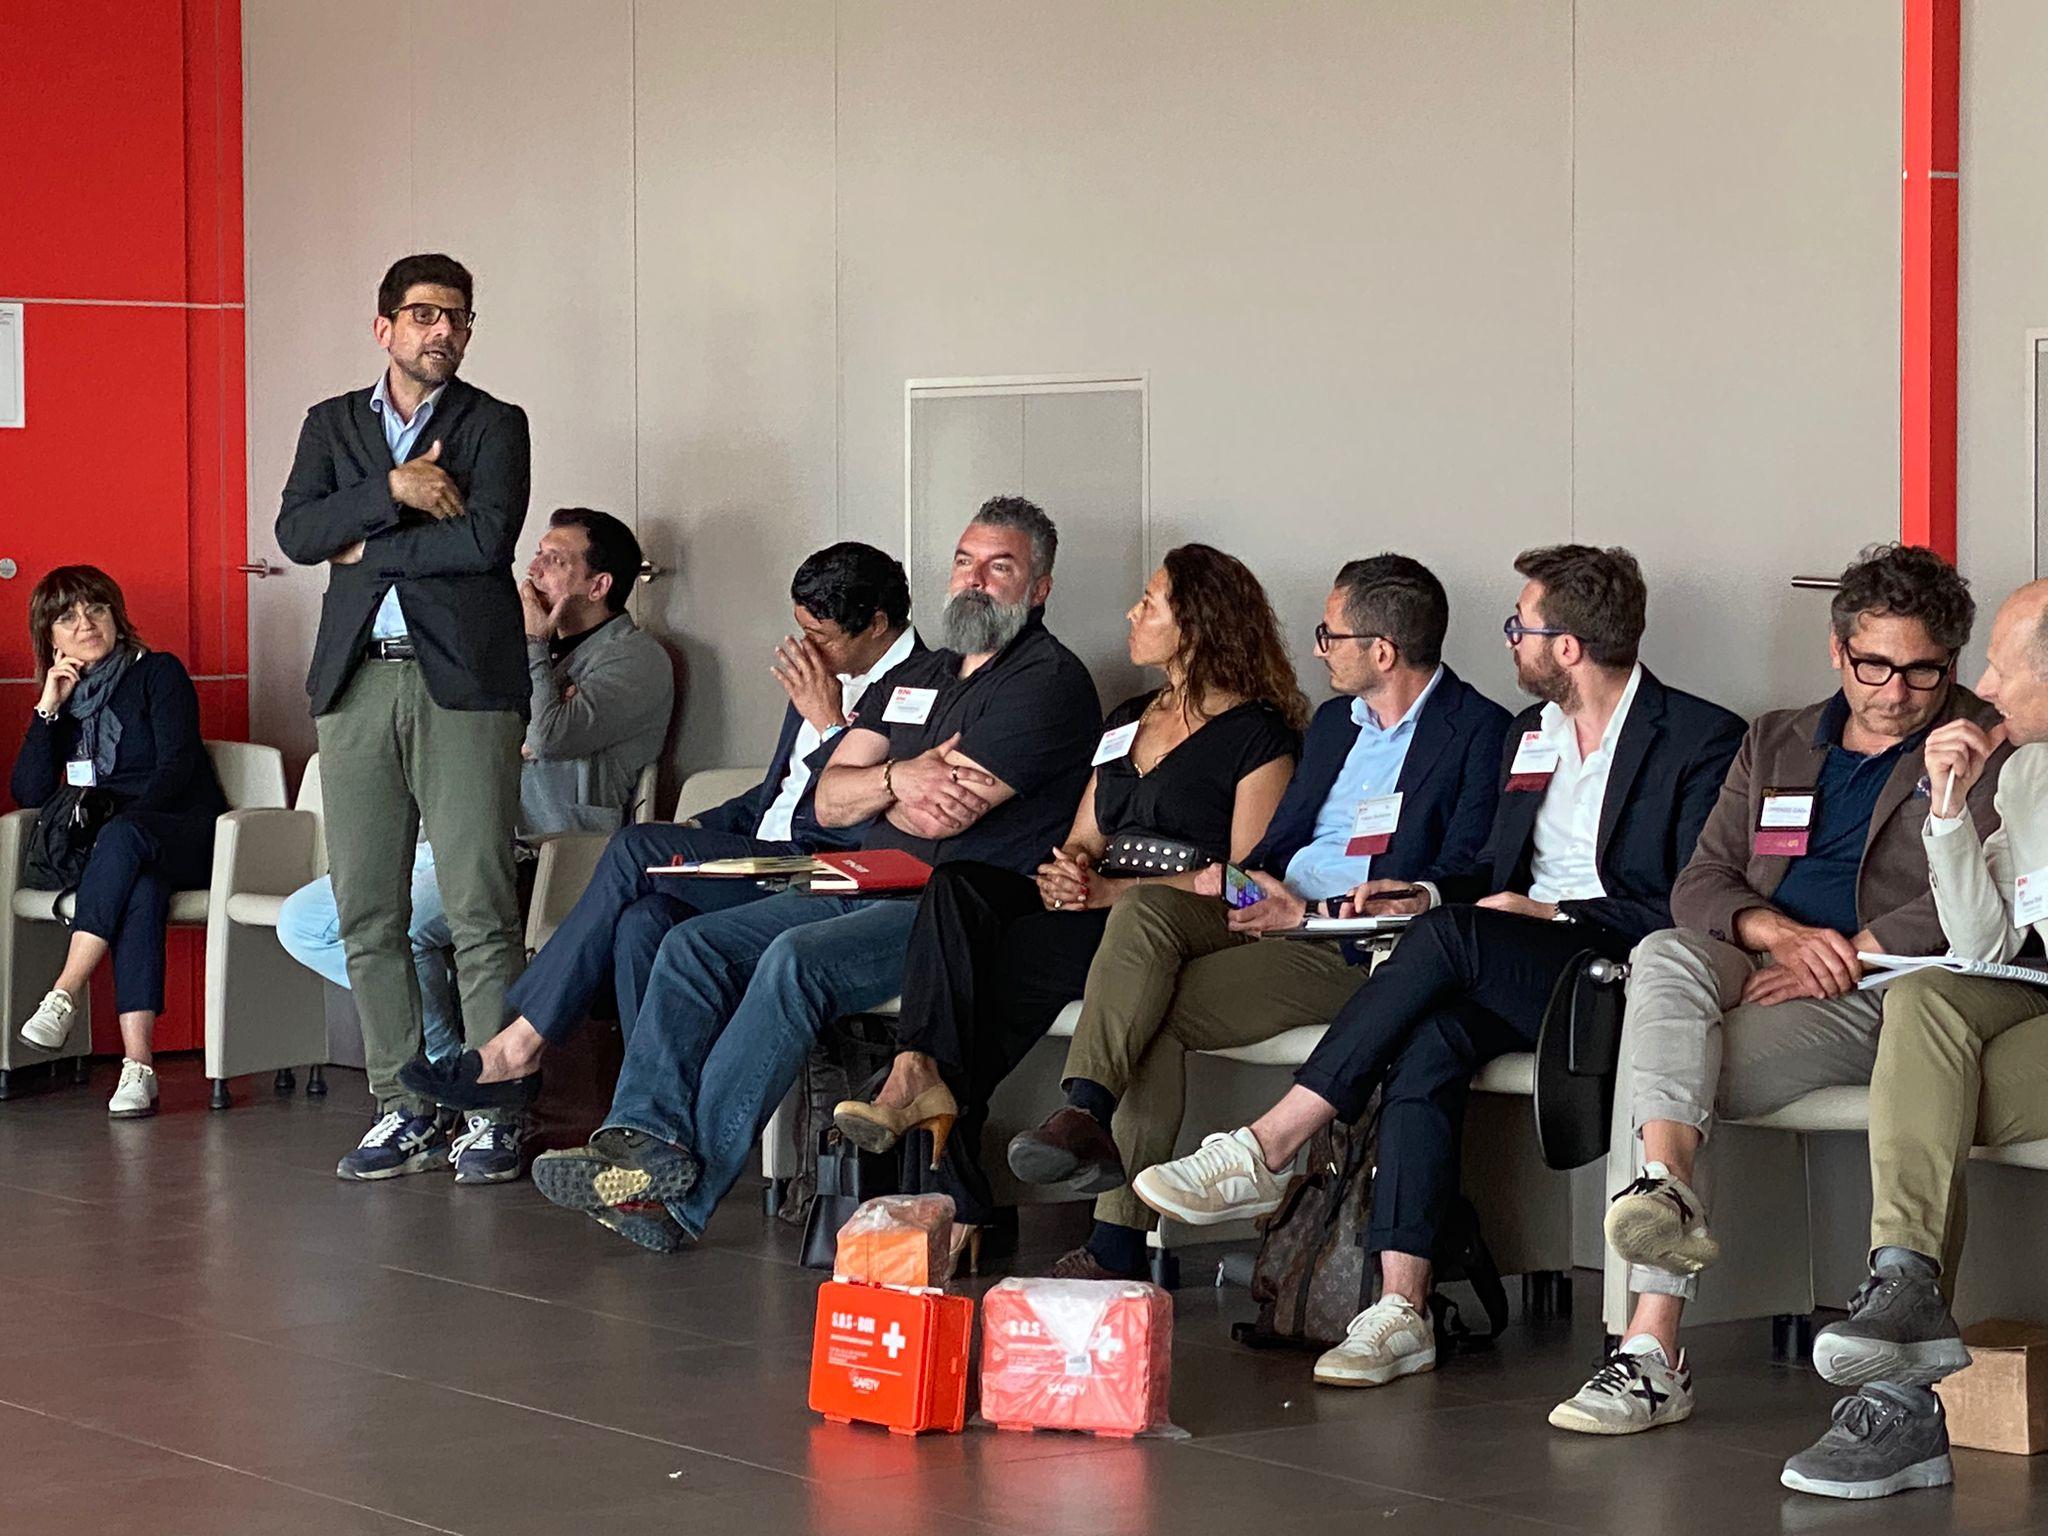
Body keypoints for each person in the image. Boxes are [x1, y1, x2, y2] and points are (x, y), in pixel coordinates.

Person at [1132, 545, 1745, 1390]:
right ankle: (1402, 1306)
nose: (1510, 642)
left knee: (1450, 939)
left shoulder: (1702, 739)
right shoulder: (1529, 735)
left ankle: (1268, 1145)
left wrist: (1553, 915)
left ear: (1567, 647)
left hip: (1614, 968)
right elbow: (1484, 873)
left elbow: (1691, 902)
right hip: (1508, 958)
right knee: (1428, 1037)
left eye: (1520, 628)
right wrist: (1420, 892)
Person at [530, 495, 1099, 1253]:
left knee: (793, 962)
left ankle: (678, 1200)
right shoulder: (925, 674)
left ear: (1040, 587)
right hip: (855, 879)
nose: (974, 580)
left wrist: (879, 784)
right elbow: (828, 799)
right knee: (691, 946)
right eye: (965, 561)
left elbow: (943, 819)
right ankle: (646, 1141)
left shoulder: (1046, 682)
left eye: (1001, 567)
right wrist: (899, 779)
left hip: (946, 916)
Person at [1552, 543, 1997, 1442]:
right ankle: (1665, 1189)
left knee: (1665, 1075)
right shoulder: (1777, 739)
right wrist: (1780, 935)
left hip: (1884, 987)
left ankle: (1650, 1347)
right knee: (1666, 951)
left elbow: (1978, 887)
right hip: (1760, 960)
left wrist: (1850, 953)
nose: (1897, 691)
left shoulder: (1980, 741)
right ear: (1838, 650)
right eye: (1874, 665)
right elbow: (1701, 882)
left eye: (1923, 670)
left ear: (1951, 661)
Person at [1003, 554, 1511, 1280]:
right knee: (1146, 906)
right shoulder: (1335, 724)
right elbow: (1280, 843)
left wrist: (1322, 907)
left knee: (1152, 1013)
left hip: (1355, 940)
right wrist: (1237, 883)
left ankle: (1115, 1244)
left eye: (1330, 636)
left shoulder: (1479, 731)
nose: (1317, 650)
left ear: (1382, 651)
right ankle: (1084, 1113)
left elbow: (1471, 869)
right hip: (1269, 902)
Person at [832, 544, 1307, 1270]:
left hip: (1174, 924)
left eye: (1150, 602)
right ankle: (918, 1070)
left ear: (1197, 623)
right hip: (1096, 901)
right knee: (958, 885)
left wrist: (1110, 892)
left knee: (1005, 965)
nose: (1131, 614)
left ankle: (937, 1126)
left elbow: (1249, 882)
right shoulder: (1129, 717)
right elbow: (1085, 836)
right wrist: (1069, 871)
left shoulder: (1257, 733)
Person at [402, 541, 920, 1114]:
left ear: (876, 624)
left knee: (635, 847)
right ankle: (650, 1120)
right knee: (643, 921)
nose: (807, 649)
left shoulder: (924, 685)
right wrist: (695, 827)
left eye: (820, 635)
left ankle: (518, 1048)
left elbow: (858, 812)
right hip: (768, 855)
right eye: (802, 630)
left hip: (827, 871)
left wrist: (828, 725)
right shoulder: (829, 674)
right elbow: (780, 793)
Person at [274, 508, 672, 1169]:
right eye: (535, 552)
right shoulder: (502, 640)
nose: (533, 566)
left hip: (551, 852)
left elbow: (543, 735)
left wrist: (531, 646)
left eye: (556, 559)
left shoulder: (635, 658)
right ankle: (445, 1072)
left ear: (599, 585)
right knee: (311, 921)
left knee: (415, 924)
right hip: (455, 836)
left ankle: (469, 1089)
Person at [1770, 578, 2048, 1500]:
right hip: (2028, 1000)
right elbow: (1980, 946)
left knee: (1932, 1091)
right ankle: (1905, 1286)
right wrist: (1947, 811)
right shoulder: (2025, 773)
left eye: (2002, 667)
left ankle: (1899, 1406)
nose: (1986, 687)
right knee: (1926, 1000)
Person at [274, 253, 534, 1184]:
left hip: (463, 683)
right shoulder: (332, 424)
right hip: (356, 682)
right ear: (383, 327)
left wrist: (367, 548)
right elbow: (297, 534)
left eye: (458, 318)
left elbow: (486, 542)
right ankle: (404, 1105)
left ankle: (495, 1110)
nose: (444, 332)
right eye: (425, 315)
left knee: (479, 906)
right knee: (367, 909)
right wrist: (392, 490)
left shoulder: (495, 424)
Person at [13, 566, 227, 1117]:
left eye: (97, 609)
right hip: (124, 852)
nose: (86, 623)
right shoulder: (69, 698)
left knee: (126, 839)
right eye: (67, 617)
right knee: (141, 890)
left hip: (188, 832)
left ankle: (64, 991)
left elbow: (177, 766)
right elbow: (29, 791)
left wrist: (118, 832)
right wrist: (49, 707)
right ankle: (139, 1067)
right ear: (51, 639)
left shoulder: (158, 672)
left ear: (116, 616)